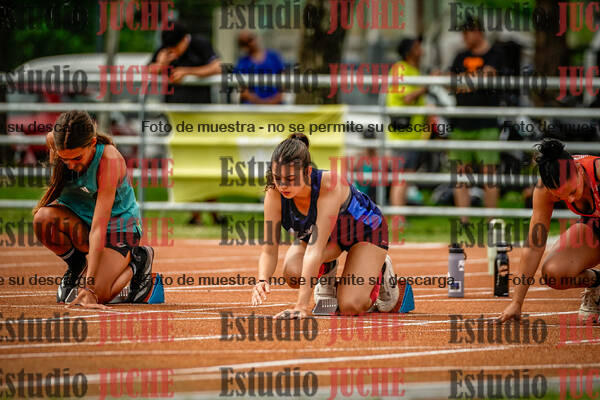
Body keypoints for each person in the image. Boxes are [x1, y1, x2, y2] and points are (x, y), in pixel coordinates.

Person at [251, 133, 407, 319]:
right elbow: (269, 250)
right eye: (277, 178)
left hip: (365, 232)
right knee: (293, 272)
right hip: (330, 239)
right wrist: (262, 279)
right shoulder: (274, 193)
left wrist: (301, 307)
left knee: (350, 306)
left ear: (308, 172)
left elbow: (314, 250)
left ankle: (381, 272)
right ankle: (328, 269)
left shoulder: (328, 185)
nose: (283, 185)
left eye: (291, 178)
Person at [32, 111, 159, 308]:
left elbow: (99, 228)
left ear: (92, 143)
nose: (70, 165)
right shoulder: (54, 141)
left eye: (77, 158)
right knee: (43, 218)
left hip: (117, 230)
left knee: (99, 295)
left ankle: (139, 260)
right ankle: (77, 267)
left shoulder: (109, 160)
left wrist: (90, 289)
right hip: (83, 223)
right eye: (65, 159)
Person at [499, 138, 600, 324]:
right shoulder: (544, 189)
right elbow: (534, 245)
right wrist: (517, 302)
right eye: (562, 197)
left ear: (579, 170)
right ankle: (597, 283)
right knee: (555, 274)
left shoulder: (597, 170)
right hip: (594, 226)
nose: (570, 199)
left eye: (572, 191)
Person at [148, 21, 223, 226]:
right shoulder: (165, 49)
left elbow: (218, 67)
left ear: (184, 40)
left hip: (202, 120)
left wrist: (188, 72)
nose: (173, 51)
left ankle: (215, 214)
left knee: (207, 167)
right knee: (185, 168)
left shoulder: (199, 44)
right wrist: (160, 65)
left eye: (175, 47)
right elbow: (148, 72)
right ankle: (196, 216)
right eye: (169, 48)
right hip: (177, 120)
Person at [449, 18, 505, 224]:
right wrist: (472, 81)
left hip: (486, 123)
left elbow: (489, 74)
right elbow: (449, 82)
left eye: (467, 33)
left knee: (489, 173)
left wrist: (463, 82)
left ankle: (491, 221)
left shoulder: (495, 53)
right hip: (461, 124)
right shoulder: (460, 56)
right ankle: (463, 221)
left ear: (478, 32)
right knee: (460, 173)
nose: (464, 37)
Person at [387, 36, 429, 207]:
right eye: (418, 47)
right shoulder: (401, 69)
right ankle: (398, 215)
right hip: (402, 135)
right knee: (401, 177)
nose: (422, 51)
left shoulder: (412, 70)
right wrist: (425, 87)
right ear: (409, 51)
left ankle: (400, 214)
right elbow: (407, 97)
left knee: (406, 176)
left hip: (411, 134)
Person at [234, 31, 285, 105]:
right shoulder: (242, 63)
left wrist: (272, 102)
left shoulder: (273, 57)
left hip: (276, 106)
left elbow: (283, 83)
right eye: (244, 43)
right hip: (252, 107)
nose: (250, 43)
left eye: (250, 39)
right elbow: (243, 91)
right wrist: (260, 103)